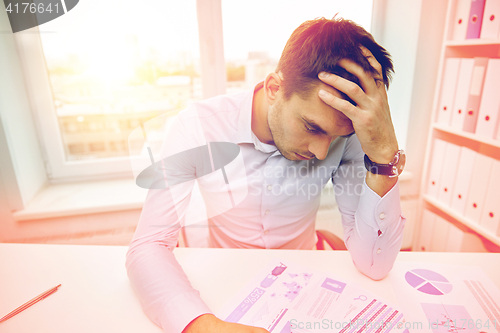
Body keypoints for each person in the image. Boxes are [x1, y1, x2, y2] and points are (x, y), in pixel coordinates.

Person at [126, 16, 406, 333]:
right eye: (311, 127)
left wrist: (384, 156)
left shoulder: (348, 138)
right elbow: (147, 246)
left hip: (304, 291)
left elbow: (375, 264)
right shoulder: (198, 126)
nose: (321, 152)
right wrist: (202, 327)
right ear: (275, 88)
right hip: (221, 289)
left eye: (335, 137)